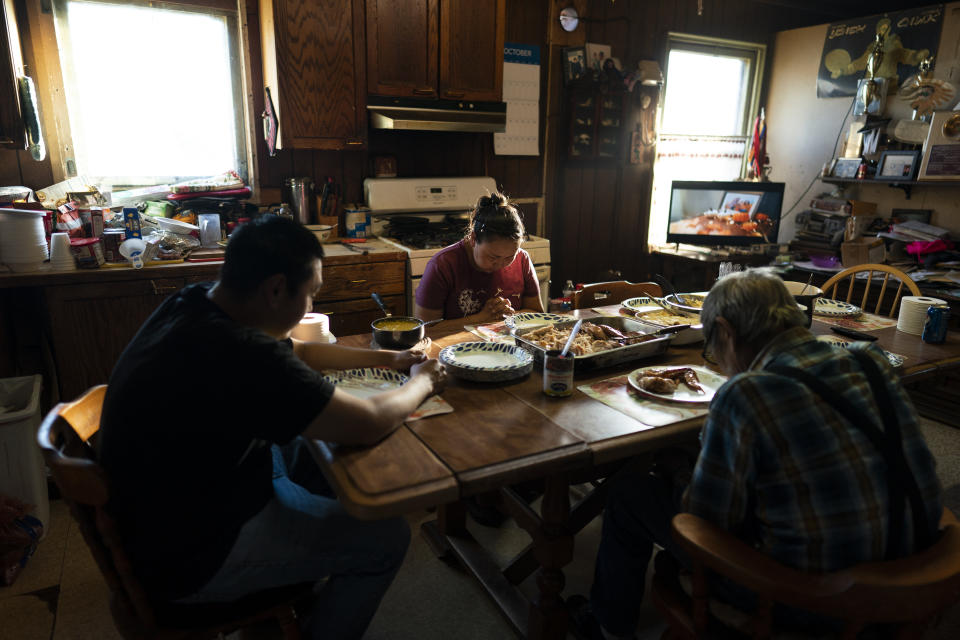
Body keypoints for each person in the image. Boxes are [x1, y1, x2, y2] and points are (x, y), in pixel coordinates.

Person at [98, 215, 447, 640]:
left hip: (170, 510)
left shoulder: (193, 303)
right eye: (312, 294)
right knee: (386, 538)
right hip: (194, 556)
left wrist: (389, 360)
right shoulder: (243, 354)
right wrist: (424, 382)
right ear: (277, 288)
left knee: (318, 450)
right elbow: (369, 423)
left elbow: (297, 350)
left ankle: (304, 570)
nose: (310, 305)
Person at [573, 269, 942, 640]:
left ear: (727, 332)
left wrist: (681, 473)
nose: (715, 357)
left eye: (711, 346)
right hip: (912, 578)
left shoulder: (749, 393)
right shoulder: (870, 360)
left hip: (812, 602)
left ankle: (608, 628)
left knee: (629, 493)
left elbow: (706, 523)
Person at [414, 191, 543, 331]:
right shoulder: (443, 265)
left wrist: (508, 315)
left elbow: (537, 314)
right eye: (493, 257)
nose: (500, 265)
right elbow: (425, 329)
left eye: (509, 257)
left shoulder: (522, 259)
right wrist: (481, 318)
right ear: (474, 239)